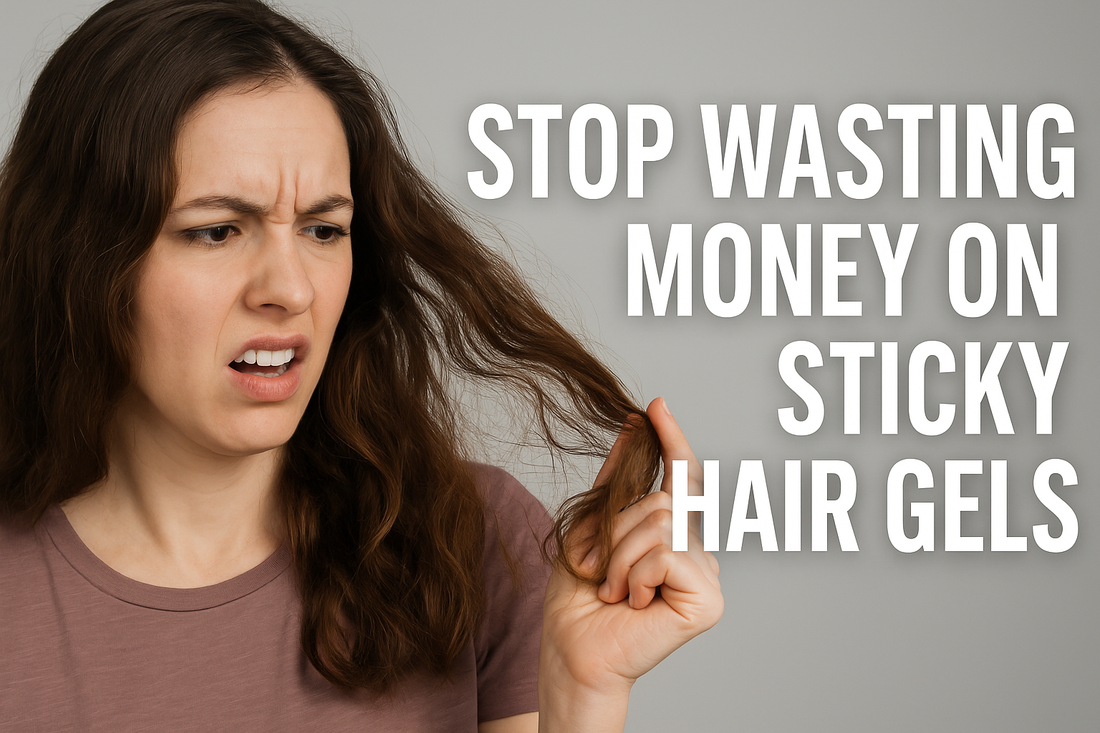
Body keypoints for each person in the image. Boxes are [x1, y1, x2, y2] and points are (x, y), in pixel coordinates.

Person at [0, 0, 722, 730]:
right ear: (78, 257)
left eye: (323, 229)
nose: (290, 288)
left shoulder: (474, 544)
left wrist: (581, 693)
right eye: (217, 230)